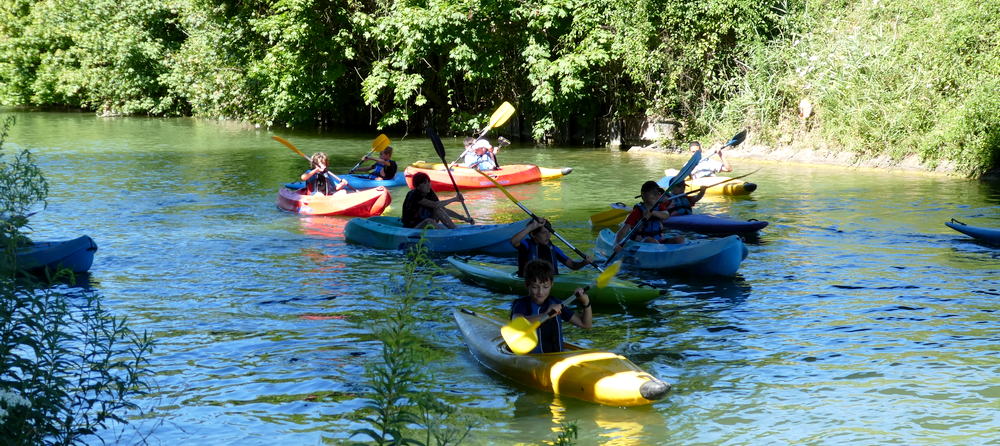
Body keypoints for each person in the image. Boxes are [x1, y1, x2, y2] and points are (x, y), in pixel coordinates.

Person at [509, 259, 592, 354]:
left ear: (551, 284)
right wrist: (546, 314)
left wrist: (586, 303)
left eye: (545, 287)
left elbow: (586, 324)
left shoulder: (556, 303)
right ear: (527, 285)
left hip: (556, 357)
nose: (540, 292)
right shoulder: (521, 304)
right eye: (535, 287)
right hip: (531, 359)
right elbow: (516, 323)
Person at [510, 218, 593, 277]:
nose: (548, 235)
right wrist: (532, 226)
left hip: (549, 281)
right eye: (544, 233)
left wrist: (584, 263)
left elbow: (573, 265)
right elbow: (514, 241)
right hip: (530, 281)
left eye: (549, 232)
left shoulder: (553, 248)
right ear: (533, 234)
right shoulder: (526, 245)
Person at [615, 180, 683, 245]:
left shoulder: (659, 207)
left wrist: (652, 212)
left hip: (659, 241)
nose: (656, 195)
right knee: (651, 241)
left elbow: (666, 215)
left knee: (679, 240)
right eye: (653, 193)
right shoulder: (637, 211)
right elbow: (623, 231)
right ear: (644, 195)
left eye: (658, 193)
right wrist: (617, 244)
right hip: (641, 242)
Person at [401, 172, 473, 229]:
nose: (429, 185)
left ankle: (454, 229)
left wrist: (464, 219)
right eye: (425, 183)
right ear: (418, 186)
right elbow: (435, 204)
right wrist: (455, 199)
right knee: (429, 221)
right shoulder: (414, 195)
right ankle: (446, 235)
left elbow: (443, 209)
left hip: (423, 220)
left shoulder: (429, 192)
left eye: (429, 182)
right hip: (412, 227)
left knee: (438, 209)